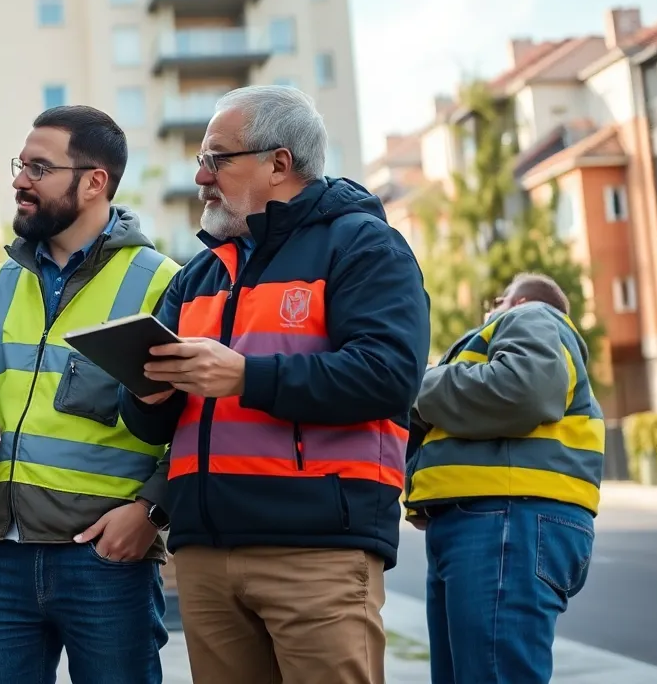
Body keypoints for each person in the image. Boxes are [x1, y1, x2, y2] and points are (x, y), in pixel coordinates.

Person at [117, 85, 431, 684]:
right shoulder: (199, 274)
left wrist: (245, 376)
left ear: (279, 163)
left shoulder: (364, 246)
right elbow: (154, 423)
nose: (201, 177)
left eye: (216, 159)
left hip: (316, 551)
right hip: (204, 554)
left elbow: (389, 376)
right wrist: (147, 395)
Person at [0, 105, 182, 684]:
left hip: (105, 558)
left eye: (39, 168)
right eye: (21, 165)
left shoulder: (164, 283)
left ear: (94, 181)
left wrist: (151, 513)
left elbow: (203, 423)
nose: (19, 182)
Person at [405, 272, 603, 684]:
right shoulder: (530, 329)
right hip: (492, 520)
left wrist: (417, 385)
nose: (490, 311)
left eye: (496, 301)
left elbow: (524, 389)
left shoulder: (532, 315)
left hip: (502, 518)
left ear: (518, 301)